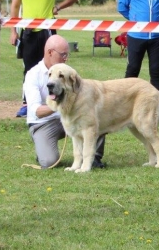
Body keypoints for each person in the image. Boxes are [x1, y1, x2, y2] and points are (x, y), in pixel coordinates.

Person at [10, 0, 81, 118]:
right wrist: (13, 30)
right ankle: (27, 103)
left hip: (47, 31)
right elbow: (14, 7)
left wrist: (58, 7)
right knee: (29, 68)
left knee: (52, 67)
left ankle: (54, 99)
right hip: (28, 31)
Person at [24, 34, 106, 169]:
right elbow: (37, 111)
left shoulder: (66, 71)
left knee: (96, 117)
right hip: (43, 123)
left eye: (67, 55)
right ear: (50, 52)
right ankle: (42, 149)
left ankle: (93, 157)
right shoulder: (33, 75)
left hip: (69, 117)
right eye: (63, 55)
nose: (66, 58)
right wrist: (61, 106)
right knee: (49, 161)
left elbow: (78, 90)